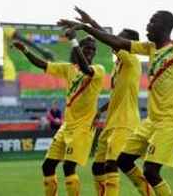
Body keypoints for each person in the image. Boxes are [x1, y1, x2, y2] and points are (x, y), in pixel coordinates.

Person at [59, 10, 173, 196]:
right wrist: (90, 24)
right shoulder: (150, 49)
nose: (148, 25)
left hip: (168, 120)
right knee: (123, 161)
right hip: (150, 121)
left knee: (149, 170)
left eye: (152, 22)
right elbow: (115, 41)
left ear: (165, 26)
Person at [12, 28, 105, 196]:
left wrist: (74, 41)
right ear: (80, 50)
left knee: (68, 166)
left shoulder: (98, 69)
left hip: (82, 128)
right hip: (67, 126)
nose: (90, 51)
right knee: (47, 166)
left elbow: (86, 69)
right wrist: (25, 50)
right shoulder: (68, 69)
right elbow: (43, 64)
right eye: (87, 48)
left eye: (93, 49)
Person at [71, 7, 146, 196]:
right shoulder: (118, 65)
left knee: (113, 164)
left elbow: (109, 40)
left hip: (125, 121)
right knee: (98, 168)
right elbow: (116, 95)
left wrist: (90, 23)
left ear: (129, 43)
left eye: (120, 38)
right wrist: (101, 110)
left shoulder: (131, 59)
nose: (116, 40)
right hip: (111, 122)